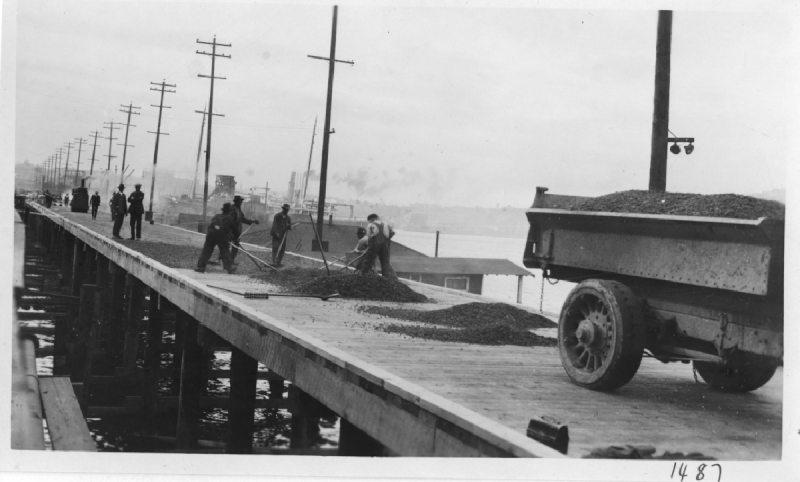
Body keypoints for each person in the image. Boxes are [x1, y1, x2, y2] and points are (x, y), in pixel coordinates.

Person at [195, 203, 238, 274]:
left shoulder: (216, 216)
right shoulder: (230, 218)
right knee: (225, 252)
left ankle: (201, 267)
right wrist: (235, 239)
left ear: (223, 210)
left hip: (211, 235)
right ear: (230, 211)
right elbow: (235, 231)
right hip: (222, 236)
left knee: (206, 250)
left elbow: (211, 225)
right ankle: (229, 268)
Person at [361, 213, 398, 281]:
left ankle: (363, 276)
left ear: (372, 219)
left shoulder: (370, 225)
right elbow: (392, 232)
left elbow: (369, 237)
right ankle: (386, 278)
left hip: (375, 243)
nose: (369, 222)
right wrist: (387, 240)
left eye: (369, 220)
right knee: (384, 261)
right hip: (384, 245)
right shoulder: (386, 224)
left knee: (368, 259)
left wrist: (369, 247)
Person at [229, 195, 259, 263]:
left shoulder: (239, 209)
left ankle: (231, 260)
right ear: (236, 202)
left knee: (235, 247)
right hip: (231, 231)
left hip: (237, 232)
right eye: (239, 202)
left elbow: (243, 219)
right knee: (226, 245)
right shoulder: (231, 208)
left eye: (241, 202)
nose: (240, 203)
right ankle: (219, 260)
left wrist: (252, 221)